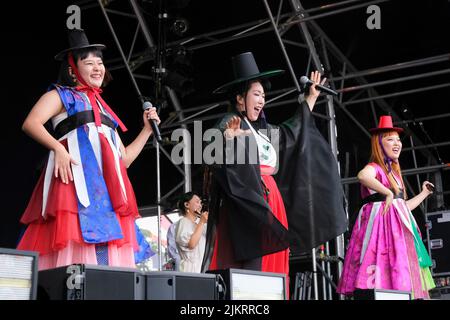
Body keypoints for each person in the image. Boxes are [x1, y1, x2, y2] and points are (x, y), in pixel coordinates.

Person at [16, 29, 158, 270]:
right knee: (76, 253)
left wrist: (146, 130)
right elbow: (31, 123)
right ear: (73, 70)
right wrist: (58, 149)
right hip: (74, 189)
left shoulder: (104, 109)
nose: (97, 68)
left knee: (106, 260)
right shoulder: (61, 95)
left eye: (100, 63)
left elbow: (124, 161)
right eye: (89, 62)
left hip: (106, 195)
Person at [202, 52, 348, 284]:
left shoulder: (264, 130)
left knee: (274, 264)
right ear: (240, 99)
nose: (261, 100)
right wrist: (231, 138)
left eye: (263, 96)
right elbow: (214, 155)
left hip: (272, 201)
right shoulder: (229, 123)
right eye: (256, 95)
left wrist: (310, 98)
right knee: (252, 266)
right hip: (247, 203)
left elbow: (293, 131)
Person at [337, 115, 436, 299]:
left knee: (399, 276)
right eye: (390, 139)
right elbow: (362, 176)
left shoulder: (396, 174)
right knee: (379, 275)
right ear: (379, 144)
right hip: (380, 235)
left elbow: (402, 208)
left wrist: (424, 194)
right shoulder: (375, 167)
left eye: (398, 139)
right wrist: (388, 192)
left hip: (398, 236)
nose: (397, 143)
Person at [175, 192, 208, 273]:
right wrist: (202, 222)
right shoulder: (183, 222)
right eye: (197, 202)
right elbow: (191, 244)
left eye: (200, 202)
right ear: (187, 204)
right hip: (190, 270)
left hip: (202, 268)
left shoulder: (201, 224)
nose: (200, 205)